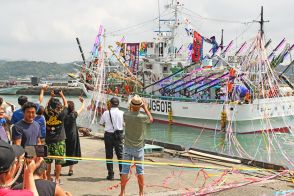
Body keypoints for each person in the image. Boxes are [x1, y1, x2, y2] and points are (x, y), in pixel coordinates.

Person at [120, 95, 153, 196]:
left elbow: (129, 112)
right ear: (140, 106)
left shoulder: (126, 115)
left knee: (124, 170)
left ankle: (122, 192)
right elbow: (151, 119)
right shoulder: (142, 117)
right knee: (140, 171)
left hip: (127, 146)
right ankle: (141, 192)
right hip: (138, 147)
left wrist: (133, 106)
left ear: (131, 105)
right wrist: (145, 107)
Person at [44, 90, 68, 184]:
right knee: (58, 161)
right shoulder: (61, 113)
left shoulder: (46, 112)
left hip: (48, 139)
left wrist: (51, 97)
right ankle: (57, 179)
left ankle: (48, 177)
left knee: (48, 160)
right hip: (59, 140)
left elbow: (46, 105)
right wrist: (62, 95)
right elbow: (66, 104)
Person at [99, 97, 124, 180]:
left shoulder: (106, 113)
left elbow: (101, 123)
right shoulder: (122, 113)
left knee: (109, 155)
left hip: (109, 135)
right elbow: (124, 124)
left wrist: (108, 125)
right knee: (120, 155)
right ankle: (122, 174)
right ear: (118, 104)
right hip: (119, 134)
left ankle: (111, 174)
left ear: (111, 104)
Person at [62, 97, 84, 176]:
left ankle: (58, 168)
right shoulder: (74, 114)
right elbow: (82, 108)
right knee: (72, 152)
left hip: (63, 135)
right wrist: (83, 102)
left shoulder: (63, 115)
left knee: (62, 152)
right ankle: (70, 170)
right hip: (72, 135)